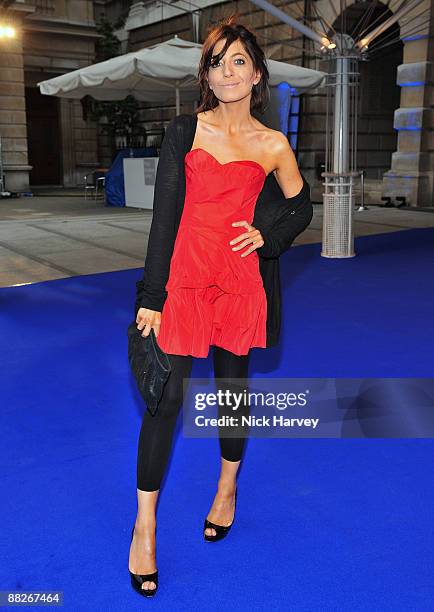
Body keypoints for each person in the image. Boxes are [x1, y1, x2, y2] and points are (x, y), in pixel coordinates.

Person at [128, 16, 306, 597]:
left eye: (238, 62)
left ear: (257, 74)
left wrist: (266, 237)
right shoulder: (185, 131)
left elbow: (300, 208)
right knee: (165, 402)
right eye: (217, 62)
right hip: (184, 277)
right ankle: (145, 527)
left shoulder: (273, 144)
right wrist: (151, 297)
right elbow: (164, 221)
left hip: (237, 280)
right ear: (206, 73)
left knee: (231, 389)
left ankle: (227, 488)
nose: (227, 72)